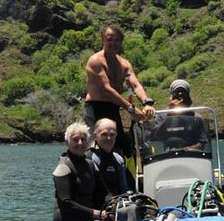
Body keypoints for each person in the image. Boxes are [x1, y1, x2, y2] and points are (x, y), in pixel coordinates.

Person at [84, 25, 155, 156]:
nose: (113, 43)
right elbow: (107, 90)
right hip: (96, 108)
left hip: (114, 108)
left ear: (121, 42)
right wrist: (131, 109)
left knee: (119, 148)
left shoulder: (124, 64)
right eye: (109, 39)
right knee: (98, 148)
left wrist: (147, 102)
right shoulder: (95, 61)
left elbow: (135, 85)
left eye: (117, 40)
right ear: (103, 41)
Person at [52, 122, 109, 221]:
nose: (80, 143)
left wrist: (116, 204)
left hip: (89, 218)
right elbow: (66, 203)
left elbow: (104, 193)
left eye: (83, 139)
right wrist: (96, 213)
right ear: (67, 143)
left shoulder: (90, 164)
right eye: (75, 139)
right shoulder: (63, 167)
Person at [150, 79, 209, 151]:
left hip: (192, 154)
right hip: (168, 155)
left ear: (188, 95)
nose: (180, 94)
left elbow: (202, 143)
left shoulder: (196, 118)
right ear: (172, 95)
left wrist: (186, 149)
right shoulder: (162, 115)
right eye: (177, 92)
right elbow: (156, 137)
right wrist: (170, 114)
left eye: (183, 92)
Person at [89, 118, 134, 206]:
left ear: (116, 136)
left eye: (112, 134)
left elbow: (123, 188)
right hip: (98, 208)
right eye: (104, 134)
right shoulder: (91, 159)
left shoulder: (118, 159)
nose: (108, 138)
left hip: (117, 205)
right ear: (95, 135)